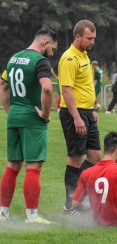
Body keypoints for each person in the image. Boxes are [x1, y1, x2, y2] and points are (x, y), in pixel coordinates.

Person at [0, 28, 60, 224]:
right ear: (45, 43)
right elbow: (47, 88)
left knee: (12, 166)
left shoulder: (14, 58)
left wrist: (11, 110)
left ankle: (2, 213)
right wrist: (44, 113)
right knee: (33, 167)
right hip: (32, 119)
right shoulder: (40, 61)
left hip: (14, 117)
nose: (52, 53)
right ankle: (32, 217)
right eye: (52, 48)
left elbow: (2, 85)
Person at [58, 20, 102, 215]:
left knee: (95, 157)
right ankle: (69, 205)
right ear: (78, 36)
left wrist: (91, 109)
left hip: (87, 112)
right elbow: (66, 91)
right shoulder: (69, 59)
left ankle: (77, 198)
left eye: (94, 38)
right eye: (89, 38)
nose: (92, 41)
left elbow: (84, 87)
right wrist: (77, 117)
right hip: (73, 114)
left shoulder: (84, 56)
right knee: (76, 159)